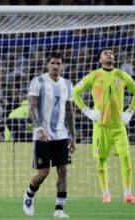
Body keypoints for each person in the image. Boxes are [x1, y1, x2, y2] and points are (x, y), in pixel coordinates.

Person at [73, 48, 135, 204]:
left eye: (111, 52)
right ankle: (106, 193)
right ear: (100, 60)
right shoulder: (94, 76)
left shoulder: (122, 75)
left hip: (119, 127)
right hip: (101, 127)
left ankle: (128, 194)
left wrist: (130, 111)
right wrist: (86, 111)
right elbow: (75, 92)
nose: (109, 54)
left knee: (126, 158)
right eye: (105, 53)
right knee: (101, 161)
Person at [23, 52, 76, 218]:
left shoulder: (67, 84)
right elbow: (31, 108)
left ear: (63, 65)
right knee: (43, 173)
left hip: (61, 135)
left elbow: (69, 111)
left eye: (59, 63)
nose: (55, 66)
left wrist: (73, 136)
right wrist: (39, 130)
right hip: (42, 135)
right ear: (47, 65)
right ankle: (29, 195)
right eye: (53, 63)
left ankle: (59, 210)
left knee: (63, 170)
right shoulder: (38, 81)